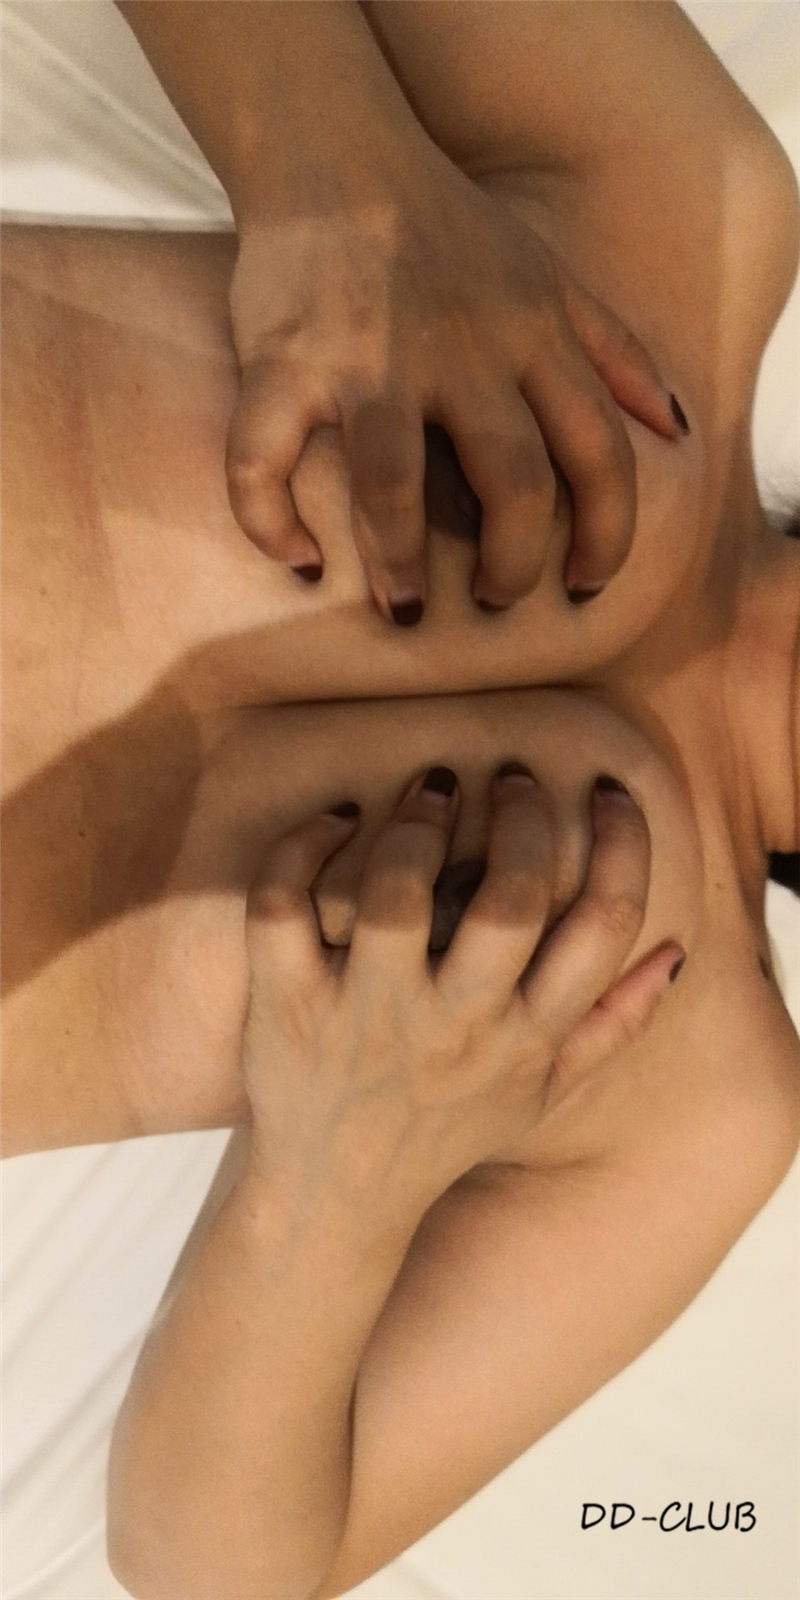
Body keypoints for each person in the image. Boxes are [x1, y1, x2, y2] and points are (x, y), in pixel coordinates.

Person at [1, 2, 798, 1595]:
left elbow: (220, 1571)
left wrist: (334, 1179)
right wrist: (326, 169)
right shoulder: (688, 208)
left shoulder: (691, 1092)